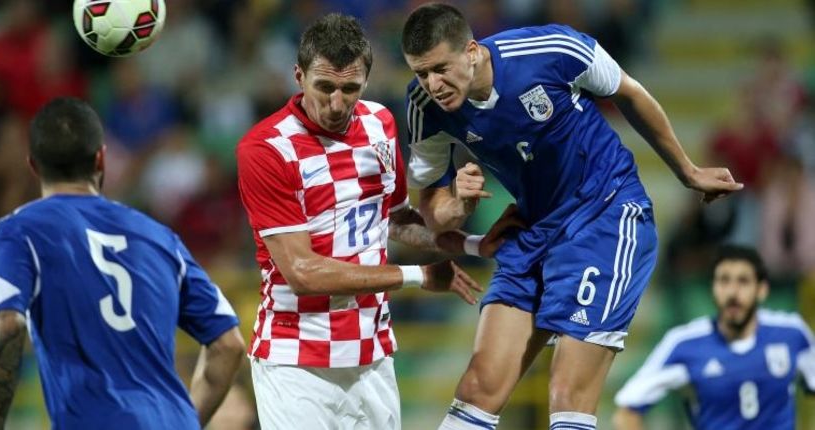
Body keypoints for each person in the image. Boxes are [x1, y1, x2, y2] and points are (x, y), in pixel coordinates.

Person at [399, 3, 744, 429]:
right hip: (533, 229)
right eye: (420, 73)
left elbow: (629, 92)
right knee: (477, 387)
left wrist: (687, 172)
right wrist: (458, 202)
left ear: (471, 50)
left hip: (606, 216)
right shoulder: (422, 107)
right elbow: (434, 214)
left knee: (567, 395)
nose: (433, 84)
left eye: (440, 68)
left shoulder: (549, 50)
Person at [235, 13, 513, 430]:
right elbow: (302, 273)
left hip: (373, 354)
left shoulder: (379, 123)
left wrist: (471, 241)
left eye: (350, 89)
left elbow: (396, 220)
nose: (336, 104)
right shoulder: (266, 150)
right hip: (297, 360)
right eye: (324, 87)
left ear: (366, 79)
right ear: (299, 75)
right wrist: (419, 276)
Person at [0, 97, 245, 429]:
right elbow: (228, 344)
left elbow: (6, 325)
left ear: (32, 165)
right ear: (101, 159)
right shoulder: (160, 236)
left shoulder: (17, 231)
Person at [613, 245, 815, 429]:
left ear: (761, 290)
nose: (732, 293)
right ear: (713, 288)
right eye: (724, 281)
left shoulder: (792, 333)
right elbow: (627, 411)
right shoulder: (684, 344)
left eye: (743, 281)